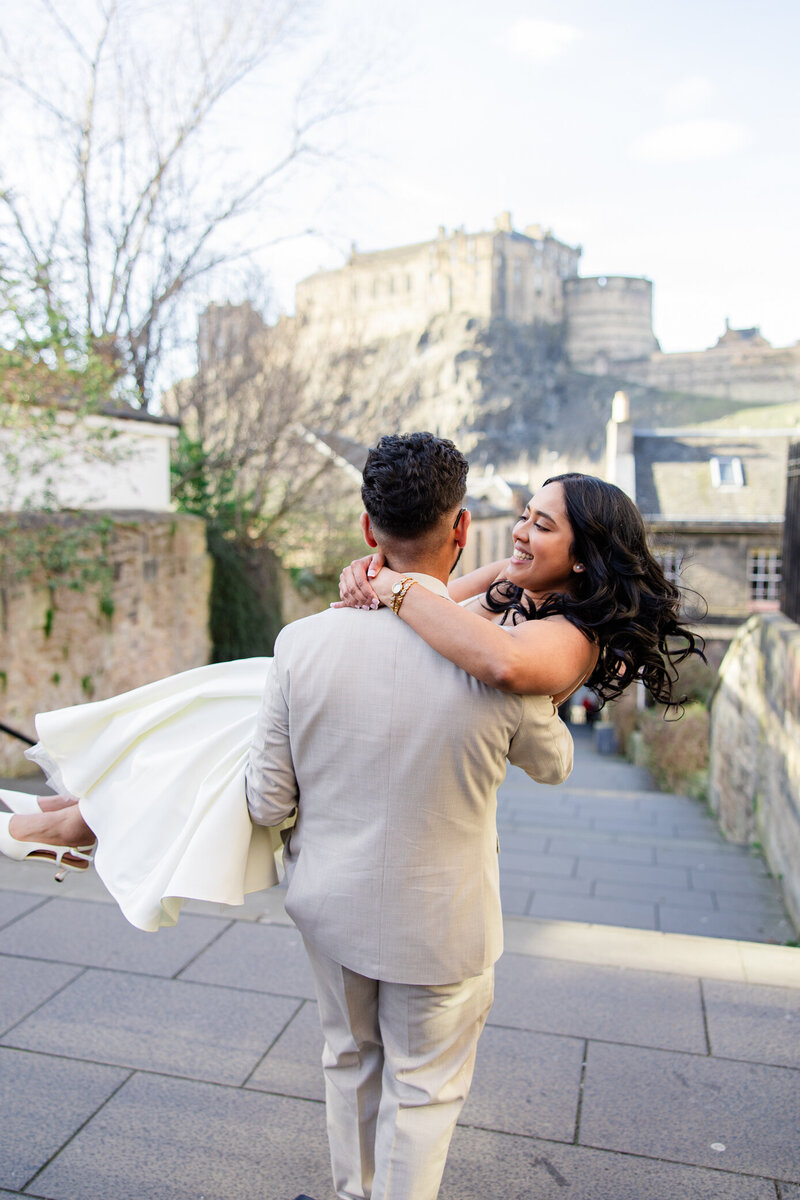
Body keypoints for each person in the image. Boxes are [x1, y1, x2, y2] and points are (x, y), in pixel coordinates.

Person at [244, 432, 573, 1200]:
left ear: (368, 531)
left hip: (328, 902)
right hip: (446, 924)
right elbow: (553, 764)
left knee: (348, 1059)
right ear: (461, 530)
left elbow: (267, 801)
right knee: (425, 1091)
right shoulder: (503, 663)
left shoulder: (300, 644)